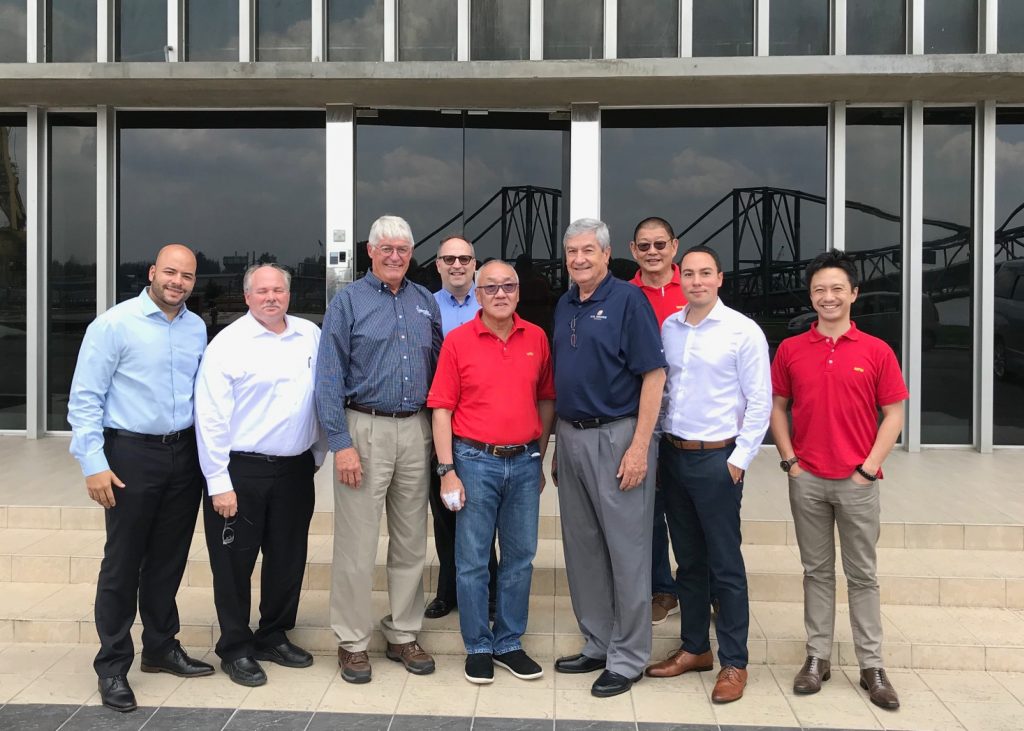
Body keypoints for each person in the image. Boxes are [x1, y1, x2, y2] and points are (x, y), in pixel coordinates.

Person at [67, 244, 213, 713]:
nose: (178, 282)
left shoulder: (196, 327)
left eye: (186, 275)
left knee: (168, 560)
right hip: (129, 454)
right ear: (152, 273)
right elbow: (85, 398)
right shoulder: (113, 324)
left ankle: (160, 647)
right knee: (122, 563)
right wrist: (93, 462)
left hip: (182, 454)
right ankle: (112, 666)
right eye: (170, 272)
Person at [770, 251, 906, 710]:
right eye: (819, 290)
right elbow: (777, 407)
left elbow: (894, 414)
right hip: (807, 478)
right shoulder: (791, 350)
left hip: (857, 481)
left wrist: (869, 467)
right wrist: (790, 461)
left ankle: (872, 665)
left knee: (863, 575)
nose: (827, 297)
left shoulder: (877, 351)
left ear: (853, 294)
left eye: (836, 289)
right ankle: (817, 657)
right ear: (811, 296)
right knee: (816, 572)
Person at [316, 214, 443, 684]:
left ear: (412, 254)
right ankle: (351, 640)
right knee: (357, 543)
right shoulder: (347, 301)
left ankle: (403, 632)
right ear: (371, 251)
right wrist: (341, 443)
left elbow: (438, 367)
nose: (394, 256)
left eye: (403, 249)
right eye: (386, 248)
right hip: (363, 428)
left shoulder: (424, 300)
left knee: (412, 539)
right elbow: (328, 377)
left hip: (416, 430)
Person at [645, 245, 770, 704]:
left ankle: (734, 662)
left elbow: (760, 401)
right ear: (681, 279)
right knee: (689, 562)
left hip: (718, 460)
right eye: (690, 274)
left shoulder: (743, 331)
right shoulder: (670, 327)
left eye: (705, 274)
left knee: (725, 565)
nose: (696, 281)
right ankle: (695, 648)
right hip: (675, 456)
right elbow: (664, 393)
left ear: (720, 278)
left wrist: (738, 461)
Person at [194, 264, 326, 687]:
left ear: (290, 295)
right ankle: (235, 647)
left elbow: (322, 395)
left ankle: (273, 634)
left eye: (279, 290)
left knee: (288, 558)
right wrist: (218, 481)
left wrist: (316, 455)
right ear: (247, 297)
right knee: (234, 564)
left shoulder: (310, 335)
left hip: (294, 469)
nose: (272, 297)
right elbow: (210, 418)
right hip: (240, 470)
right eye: (262, 291)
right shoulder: (228, 344)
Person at [551, 218, 667, 698]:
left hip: (618, 438)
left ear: (605, 253)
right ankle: (598, 642)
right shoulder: (564, 304)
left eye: (588, 251)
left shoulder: (628, 301)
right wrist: (557, 445)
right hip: (572, 436)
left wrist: (640, 446)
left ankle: (629, 655)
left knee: (627, 551)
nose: (579, 259)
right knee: (583, 549)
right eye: (572, 252)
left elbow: (654, 375)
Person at [428, 260, 556, 684]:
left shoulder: (536, 337)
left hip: (523, 462)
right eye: (491, 288)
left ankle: (508, 642)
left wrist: (537, 456)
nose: (500, 294)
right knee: (472, 559)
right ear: (478, 295)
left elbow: (546, 400)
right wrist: (447, 470)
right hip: (474, 461)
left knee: (520, 557)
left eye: (508, 287)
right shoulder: (459, 341)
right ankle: (478, 645)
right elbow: (442, 408)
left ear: (518, 293)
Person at [425, 236, 498, 621]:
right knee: (444, 509)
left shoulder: (489, 303)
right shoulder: (425, 306)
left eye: (464, 258)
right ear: (437, 264)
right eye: (449, 259)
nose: (457, 265)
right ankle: (448, 590)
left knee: (481, 513)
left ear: (475, 264)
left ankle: (489, 594)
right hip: (437, 419)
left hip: (478, 422)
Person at [628, 216, 687, 625]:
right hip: (641, 418)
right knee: (648, 510)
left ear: (674, 246)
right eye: (644, 246)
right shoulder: (623, 296)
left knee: (691, 509)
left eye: (660, 244)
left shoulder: (697, 289)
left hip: (689, 422)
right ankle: (661, 587)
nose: (653, 252)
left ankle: (704, 585)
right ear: (633, 251)